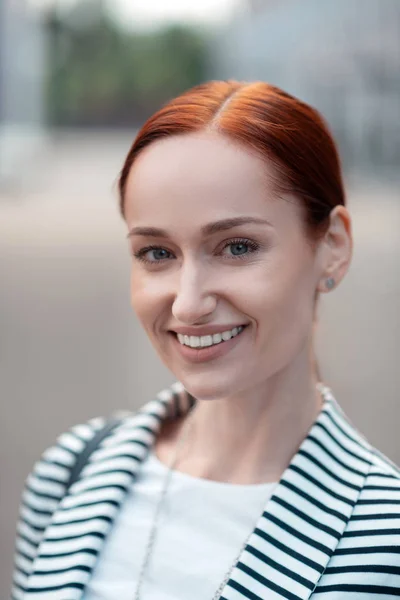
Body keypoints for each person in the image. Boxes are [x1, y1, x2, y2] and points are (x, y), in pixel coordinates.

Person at [12, 80, 400, 600]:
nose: (187, 303)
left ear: (331, 246)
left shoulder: (383, 542)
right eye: (156, 253)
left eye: (236, 246)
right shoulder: (72, 472)